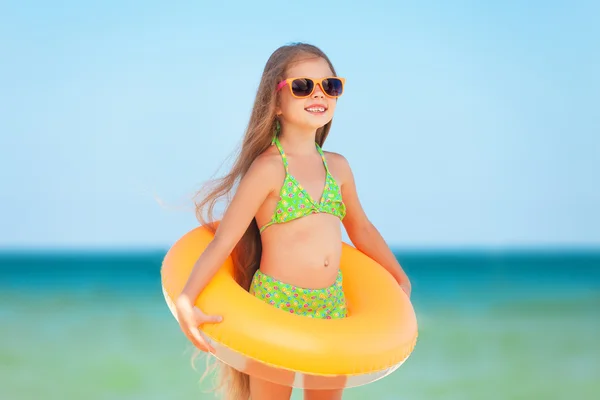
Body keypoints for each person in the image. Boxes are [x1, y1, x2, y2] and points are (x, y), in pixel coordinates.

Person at [174, 42, 412, 400]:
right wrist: (186, 299)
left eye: (329, 86)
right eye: (303, 86)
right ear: (277, 101)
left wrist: (398, 276)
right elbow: (225, 241)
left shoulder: (338, 167)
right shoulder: (268, 169)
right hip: (277, 304)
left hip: (331, 305)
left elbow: (361, 228)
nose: (319, 94)